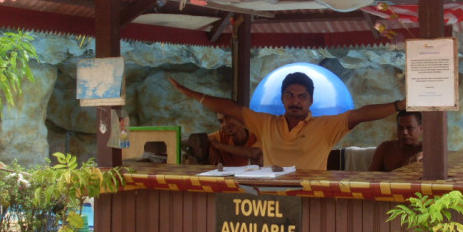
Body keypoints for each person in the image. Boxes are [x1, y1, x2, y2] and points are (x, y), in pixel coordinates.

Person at [168, 72, 406, 170]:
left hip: (312, 199)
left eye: (302, 97)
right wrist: (189, 93)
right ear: (282, 98)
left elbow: (362, 114)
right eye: (290, 95)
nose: (295, 101)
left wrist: (400, 105)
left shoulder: (325, 126)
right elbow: (228, 108)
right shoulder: (266, 123)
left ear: (310, 101)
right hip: (273, 202)